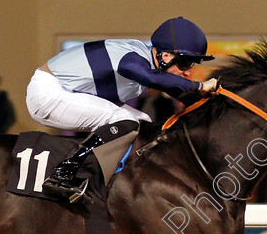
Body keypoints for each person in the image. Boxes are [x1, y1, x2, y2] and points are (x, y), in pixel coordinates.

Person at [26, 17, 218, 202]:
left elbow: (177, 91)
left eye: (191, 65)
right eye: (184, 63)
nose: (187, 71)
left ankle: (126, 178)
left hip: (67, 91)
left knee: (144, 122)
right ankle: (63, 175)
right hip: (48, 93)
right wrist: (199, 86)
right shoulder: (133, 58)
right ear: (165, 55)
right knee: (126, 120)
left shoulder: (149, 59)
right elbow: (155, 79)